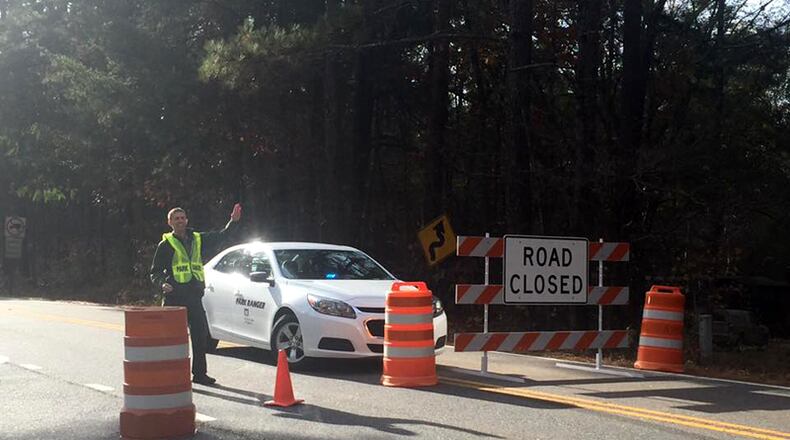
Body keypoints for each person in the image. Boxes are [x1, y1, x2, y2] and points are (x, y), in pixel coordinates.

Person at [150, 203, 242, 385]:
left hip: (194, 296)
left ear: (187, 220)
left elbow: (222, 236)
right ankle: (171, 374)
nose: (180, 221)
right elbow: (155, 271)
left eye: (182, 218)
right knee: (171, 339)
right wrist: (162, 284)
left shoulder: (197, 239)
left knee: (200, 336)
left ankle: (200, 374)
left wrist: (234, 222)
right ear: (169, 222)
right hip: (174, 297)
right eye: (176, 218)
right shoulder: (166, 244)